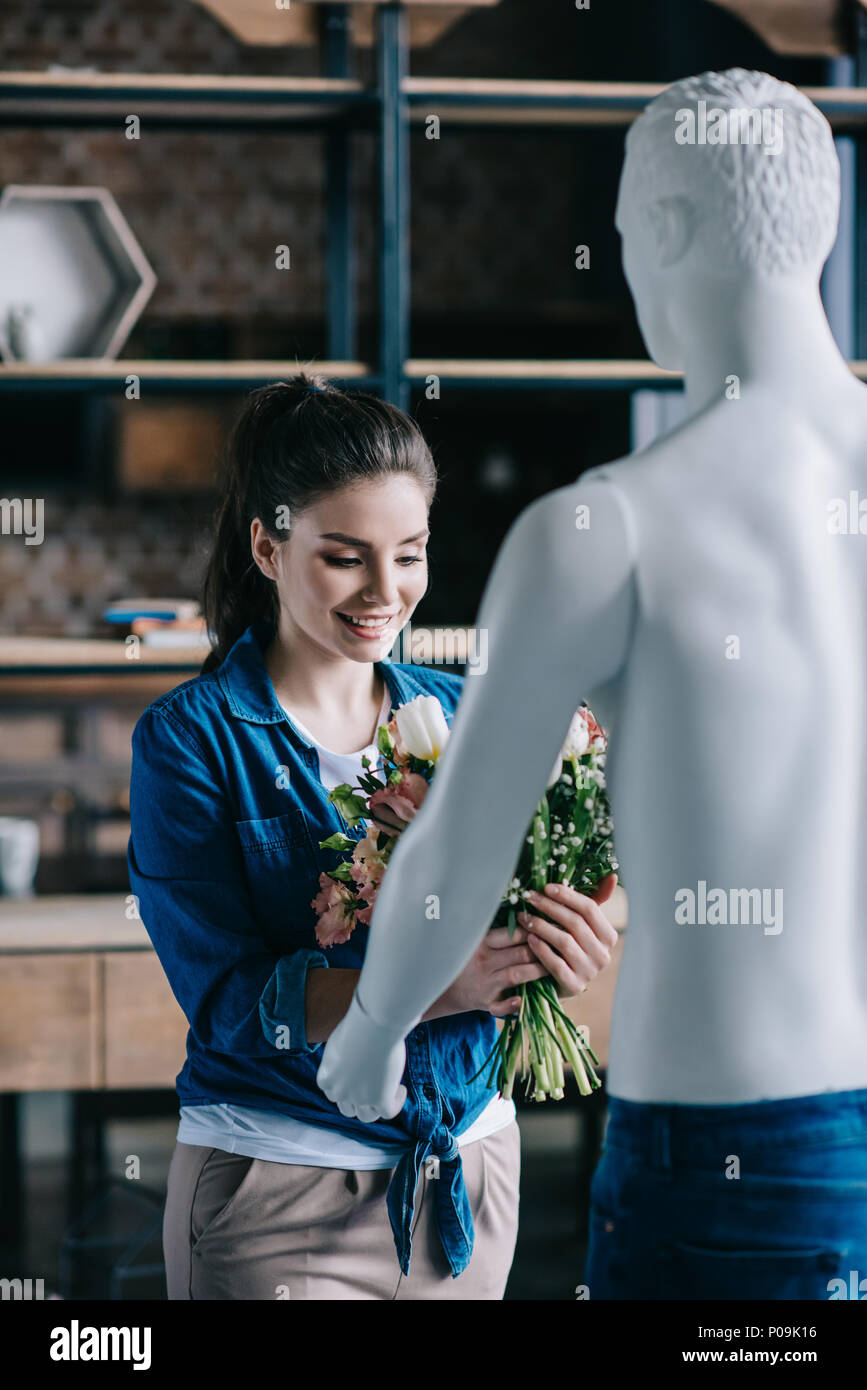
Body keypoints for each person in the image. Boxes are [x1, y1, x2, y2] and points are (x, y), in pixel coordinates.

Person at [317, 69, 867, 1300]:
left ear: (664, 231)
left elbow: (461, 849)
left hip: (733, 1158)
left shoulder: (603, 531)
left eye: (622, 239)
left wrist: (369, 1034)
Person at [127, 373, 618, 1300]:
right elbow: (231, 1005)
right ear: (268, 548)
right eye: (345, 557)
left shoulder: (465, 711)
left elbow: (546, 888)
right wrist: (431, 983)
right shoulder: (192, 739)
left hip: (466, 1176)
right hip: (278, 1189)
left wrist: (565, 939)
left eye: (409, 554)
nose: (385, 593)